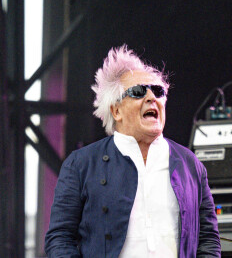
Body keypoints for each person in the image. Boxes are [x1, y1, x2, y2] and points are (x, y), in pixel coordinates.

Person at [44, 45, 221, 257]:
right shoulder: (81, 164)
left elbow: (208, 238)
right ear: (116, 111)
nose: (150, 97)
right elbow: (60, 238)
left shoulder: (190, 164)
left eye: (158, 91)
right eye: (137, 92)